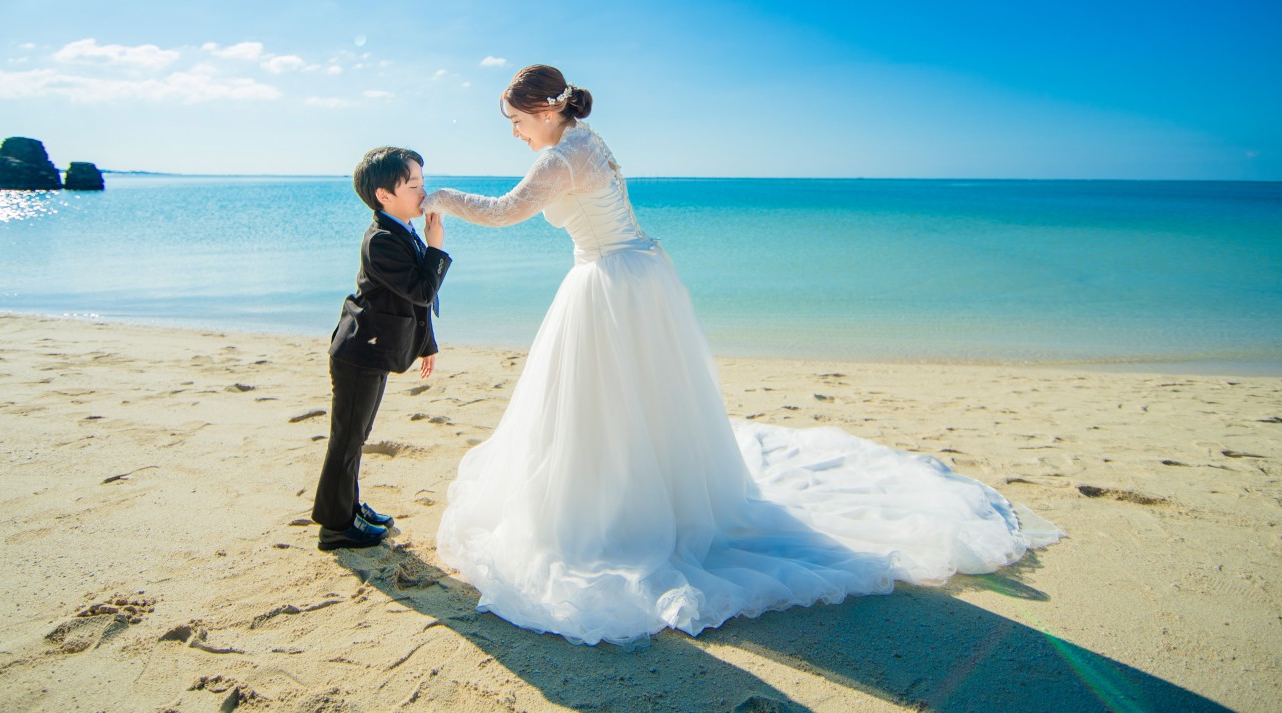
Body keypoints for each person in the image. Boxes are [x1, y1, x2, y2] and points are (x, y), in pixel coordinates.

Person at [423, 65, 1061, 646]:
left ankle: (620, 515)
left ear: (542, 111)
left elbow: (505, 212)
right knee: (638, 403)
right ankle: (647, 493)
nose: (514, 134)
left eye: (514, 122)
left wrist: (439, 197)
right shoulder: (588, 142)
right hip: (638, 274)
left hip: (610, 284)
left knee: (607, 405)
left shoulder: (560, 159)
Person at [313, 146, 451, 550]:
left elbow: (411, 304)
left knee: (357, 435)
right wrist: (436, 247)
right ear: (383, 195)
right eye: (413, 185)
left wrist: (427, 344)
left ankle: (349, 506)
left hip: (370, 350)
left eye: (423, 183)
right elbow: (423, 290)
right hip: (358, 353)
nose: (422, 193)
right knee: (347, 438)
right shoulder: (381, 241)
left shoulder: (400, 229)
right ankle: (335, 526)